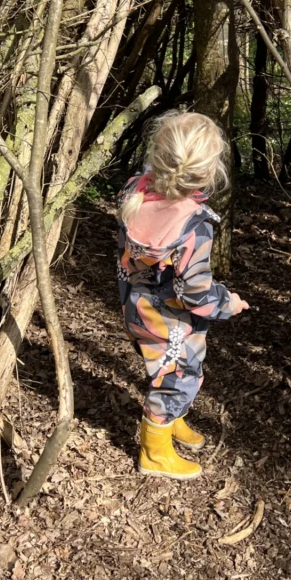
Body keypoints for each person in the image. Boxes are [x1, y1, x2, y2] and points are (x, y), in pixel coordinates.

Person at [116, 110, 249, 481]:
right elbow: (195, 294)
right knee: (175, 378)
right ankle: (154, 452)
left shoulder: (136, 190)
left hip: (135, 307)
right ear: (210, 172)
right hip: (170, 322)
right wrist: (229, 303)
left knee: (166, 370)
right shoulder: (193, 226)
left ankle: (172, 420)